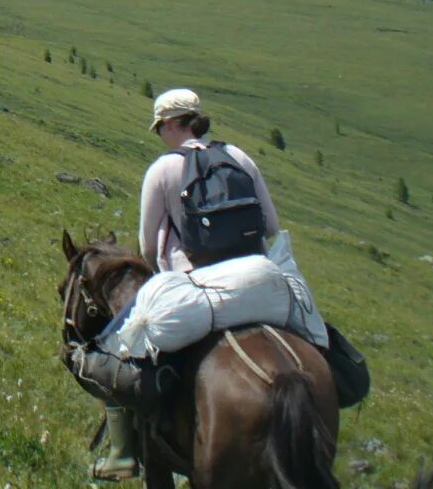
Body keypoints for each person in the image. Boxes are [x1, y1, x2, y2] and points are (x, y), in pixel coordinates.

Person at [71, 87, 281, 481]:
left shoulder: (164, 170)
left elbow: (149, 247)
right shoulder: (239, 157)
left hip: (196, 286)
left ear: (169, 125)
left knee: (116, 346)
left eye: (159, 128)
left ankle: (123, 454)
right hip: (262, 278)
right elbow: (270, 225)